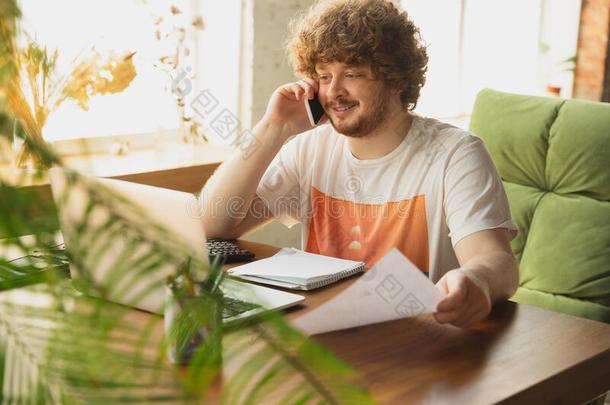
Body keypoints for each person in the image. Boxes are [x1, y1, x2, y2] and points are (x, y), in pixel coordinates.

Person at [201, 0, 519, 328]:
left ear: (396, 79)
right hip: (327, 336)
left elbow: (497, 262)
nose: (334, 91)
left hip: (419, 339)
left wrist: (476, 281)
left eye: (352, 74)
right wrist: (273, 127)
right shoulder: (309, 148)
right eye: (324, 76)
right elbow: (214, 224)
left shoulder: (455, 154)